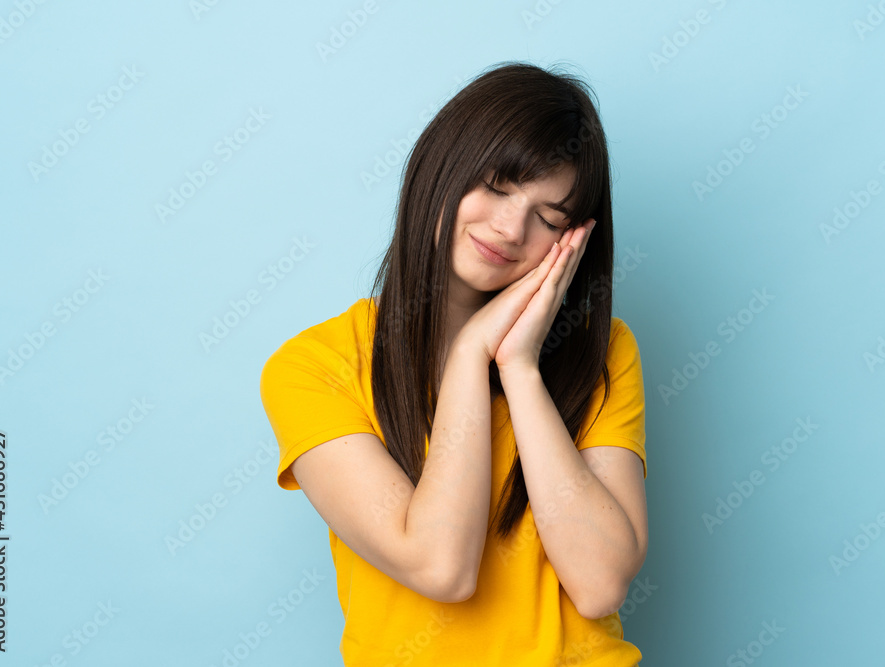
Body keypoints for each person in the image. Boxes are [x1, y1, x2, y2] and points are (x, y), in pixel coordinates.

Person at [260, 61, 648, 666]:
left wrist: (517, 369)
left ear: (572, 242)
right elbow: (441, 568)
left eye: (549, 219)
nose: (509, 228)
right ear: (438, 170)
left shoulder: (601, 352)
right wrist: (471, 355)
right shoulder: (315, 366)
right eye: (495, 185)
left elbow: (600, 584)